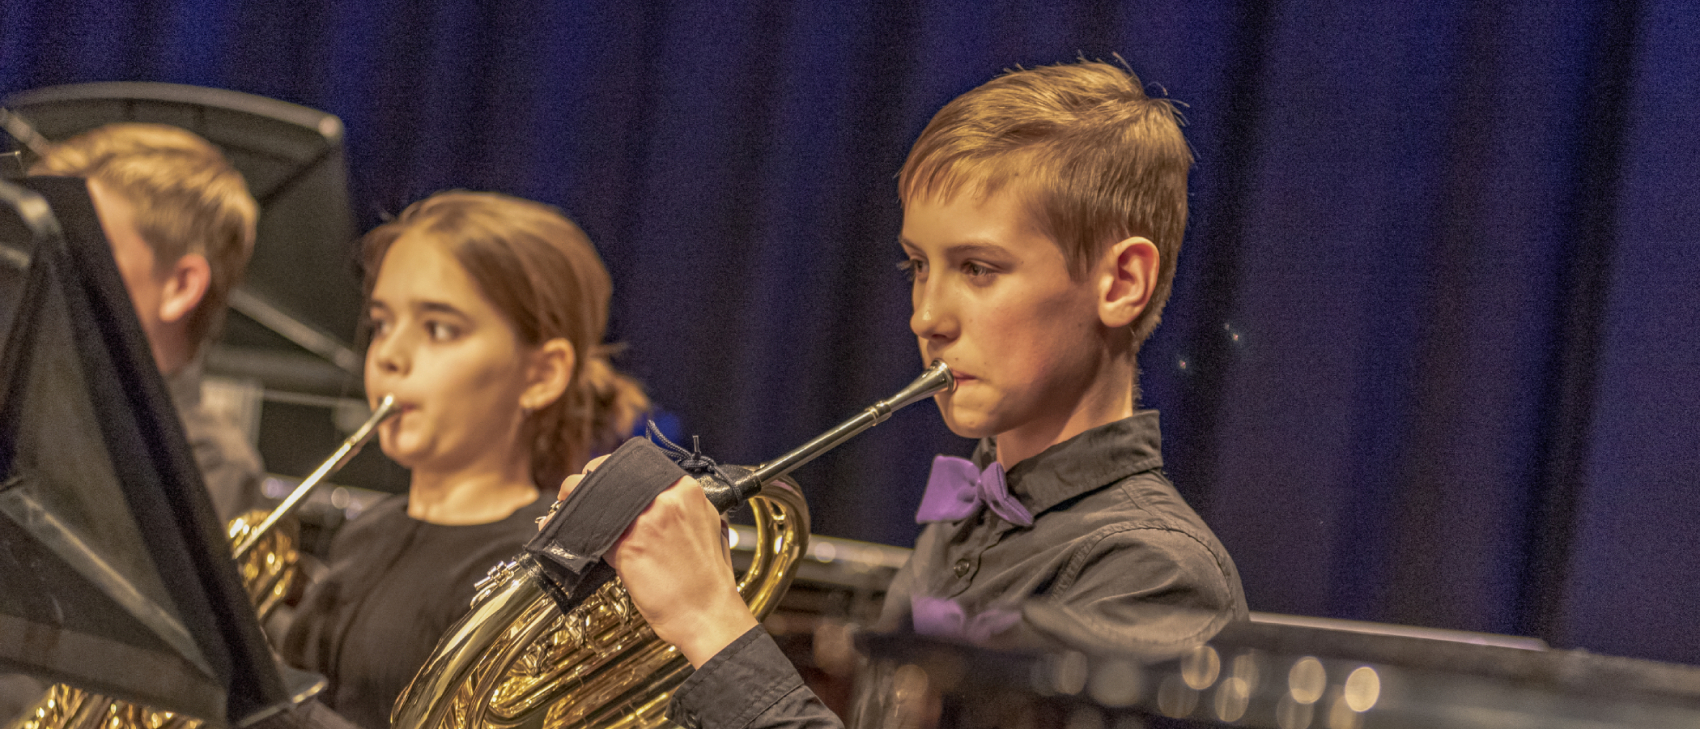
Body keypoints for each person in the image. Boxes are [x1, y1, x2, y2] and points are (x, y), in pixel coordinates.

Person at [563, 61, 1247, 728]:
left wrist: (710, 622)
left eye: (979, 269)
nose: (926, 316)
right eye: (919, 266)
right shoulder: (960, 524)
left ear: (1122, 282)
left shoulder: (1154, 573)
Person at [278, 191, 649, 729]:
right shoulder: (370, 530)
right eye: (382, 323)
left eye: (439, 329)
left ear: (541, 375)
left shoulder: (544, 566)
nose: (388, 354)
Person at [29, 123, 265, 522]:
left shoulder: (212, 466)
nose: (44, 270)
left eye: (82, 247)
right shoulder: (33, 410)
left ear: (181, 286)